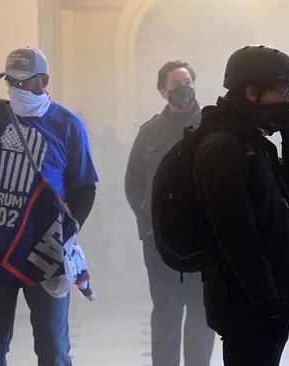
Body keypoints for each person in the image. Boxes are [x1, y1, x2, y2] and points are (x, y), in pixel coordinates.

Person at [193, 45, 289, 366]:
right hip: (248, 303)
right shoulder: (223, 147)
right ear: (251, 91)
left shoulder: (253, 143)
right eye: (283, 92)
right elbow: (235, 232)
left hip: (267, 297)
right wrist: (266, 300)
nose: (288, 101)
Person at [0, 47, 98, 366]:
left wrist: (66, 234)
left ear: (43, 81)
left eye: (22, 83)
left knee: (53, 349)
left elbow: (85, 188)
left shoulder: (68, 125)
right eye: (10, 82)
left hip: (45, 255)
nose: (15, 90)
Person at [125, 60, 215, 366]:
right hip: (160, 240)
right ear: (163, 91)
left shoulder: (213, 126)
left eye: (187, 82)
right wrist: (146, 224)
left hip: (204, 239)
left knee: (202, 311)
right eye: (176, 85)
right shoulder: (149, 132)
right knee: (166, 310)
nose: (184, 89)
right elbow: (133, 182)